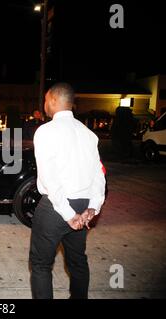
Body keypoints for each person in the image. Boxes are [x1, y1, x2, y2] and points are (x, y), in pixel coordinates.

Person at [31, 83, 106, 299]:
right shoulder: (89, 134)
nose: (44, 104)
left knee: (41, 265)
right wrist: (92, 207)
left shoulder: (45, 131)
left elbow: (49, 178)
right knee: (78, 261)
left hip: (56, 208)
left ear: (53, 100)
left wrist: (69, 214)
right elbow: (99, 175)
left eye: (46, 99)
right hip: (83, 205)